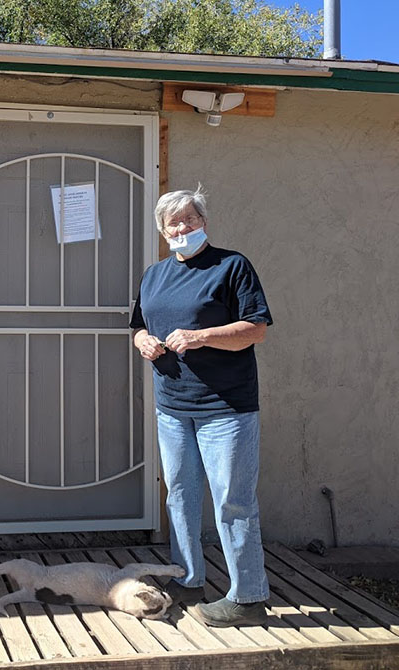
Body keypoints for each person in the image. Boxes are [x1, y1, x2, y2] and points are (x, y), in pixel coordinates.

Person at [129, 185, 272, 627]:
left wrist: (201, 336)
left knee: (233, 502)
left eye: (189, 219)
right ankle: (188, 578)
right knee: (181, 495)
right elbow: (136, 326)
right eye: (172, 222)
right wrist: (144, 342)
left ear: (203, 222)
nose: (181, 228)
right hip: (172, 407)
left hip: (226, 409)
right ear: (162, 230)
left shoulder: (232, 266)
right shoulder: (153, 275)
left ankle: (248, 597)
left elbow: (256, 330)